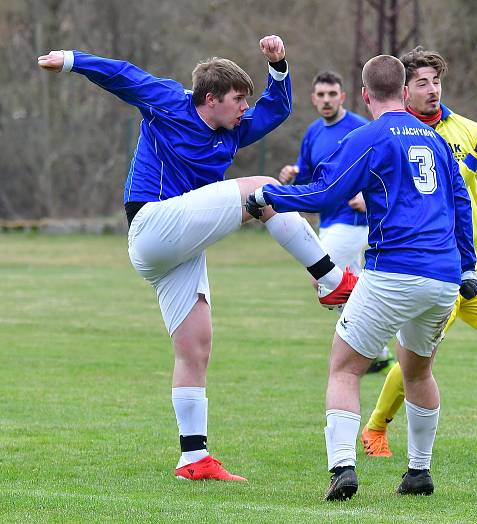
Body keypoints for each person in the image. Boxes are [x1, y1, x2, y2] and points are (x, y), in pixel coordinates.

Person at [37, 36, 357, 482]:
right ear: (210, 99)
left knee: (195, 346)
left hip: (177, 246)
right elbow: (124, 75)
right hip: (152, 224)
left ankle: (194, 458)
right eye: (238, 99)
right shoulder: (171, 101)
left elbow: (276, 109)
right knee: (263, 188)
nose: (244, 108)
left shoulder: (234, 128)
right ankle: (330, 280)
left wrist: (279, 66)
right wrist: (70, 61)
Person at [245, 54, 477, 500]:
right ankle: (418, 472)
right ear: (405, 92)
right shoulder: (434, 139)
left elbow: (325, 191)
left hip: (395, 270)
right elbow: (460, 204)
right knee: (418, 371)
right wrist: (467, 266)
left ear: (365, 95)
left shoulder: (369, 136)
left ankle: (342, 469)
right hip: (445, 277)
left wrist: (266, 193)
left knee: (345, 366)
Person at [359, 47, 477, 462]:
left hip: (475, 263)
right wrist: (474, 161)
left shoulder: (470, 130)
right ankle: (375, 428)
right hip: (431, 263)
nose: (432, 90)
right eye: (422, 83)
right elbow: (433, 195)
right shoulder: (400, 134)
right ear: (403, 91)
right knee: (417, 360)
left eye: (436, 81)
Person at [278, 71, 393, 373]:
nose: (327, 100)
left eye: (333, 94)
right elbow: (311, 173)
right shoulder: (314, 132)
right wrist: (294, 172)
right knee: (354, 285)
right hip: (327, 221)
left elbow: (383, 170)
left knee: (323, 278)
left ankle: (365, 348)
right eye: (321, 95)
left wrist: (369, 199)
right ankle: (377, 350)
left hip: (352, 222)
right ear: (314, 99)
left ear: (342, 96)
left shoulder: (359, 127)